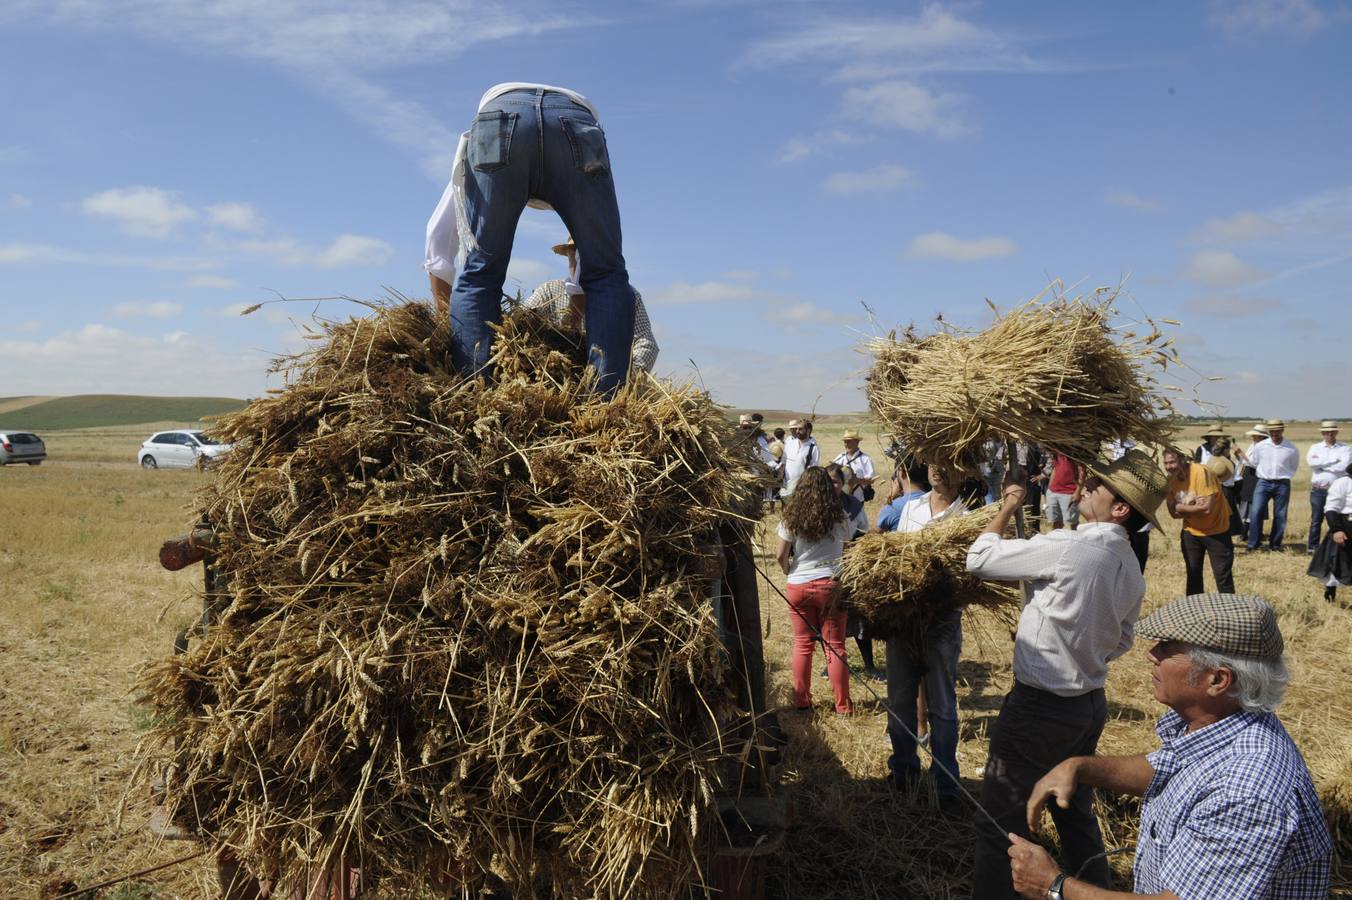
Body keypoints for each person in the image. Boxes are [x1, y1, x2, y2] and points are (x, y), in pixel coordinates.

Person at [1009, 593, 1332, 899]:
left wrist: (1052, 886)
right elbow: (1168, 768)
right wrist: (1079, 768)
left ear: (1218, 680)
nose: (1151, 654)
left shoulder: (1246, 792)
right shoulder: (1224, 723)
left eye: (1168, 648)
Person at [965, 449, 1168, 899]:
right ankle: (1093, 889)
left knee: (1002, 821)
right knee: (1072, 809)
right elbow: (1123, 639)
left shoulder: (1070, 545)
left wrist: (1009, 505)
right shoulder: (1129, 563)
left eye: (1099, 485)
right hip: (1087, 704)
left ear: (1121, 508)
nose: (1086, 484)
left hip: (1040, 708)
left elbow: (979, 558)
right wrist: (1082, 650)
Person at [424, 83, 636, 395]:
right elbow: (593, 273)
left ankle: (472, 396)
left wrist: (448, 327)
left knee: (480, 273)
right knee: (607, 275)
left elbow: (438, 239)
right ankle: (608, 403)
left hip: (500, 118)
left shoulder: (486, 171)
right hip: (575, 124)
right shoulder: (570, 176)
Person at [884, 461, 982, 816]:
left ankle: (945, 784)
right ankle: (903, 771)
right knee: (899, 701)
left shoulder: (969, 516)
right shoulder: (911, 508)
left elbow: (971, 575)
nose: (937, 469)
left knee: (942, 707)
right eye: (932, 461)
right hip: (903, 619)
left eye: (946, 462)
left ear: (964, 471)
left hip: (942, 623)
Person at [775, 467, 865, 715]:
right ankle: (843, 705)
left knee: (803, 644)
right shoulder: (841, 516)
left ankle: (801, 701)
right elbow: (846, 551)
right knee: (835, 645)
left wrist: (788, 570)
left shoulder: (790, 516)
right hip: (831, 583)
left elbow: (780, 554)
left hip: (799, 584)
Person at [524, 236, 658, 371]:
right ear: (568, 256)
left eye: (586, 256)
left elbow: (646, 343)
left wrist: (624, 375)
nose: (580, 264)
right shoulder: (549, 292)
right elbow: (521, 320)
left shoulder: (625, 296)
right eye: (574, 255)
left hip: (608, 378)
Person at [825, 461, 883, 681]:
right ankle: (832, 664)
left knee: (859, 619)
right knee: (830, 621)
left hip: (850, 567)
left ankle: (869, 665)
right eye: (828, 481)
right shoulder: (816, 504)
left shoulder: (854, 506)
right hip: (826, 569)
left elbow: (863, 533)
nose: (832, 486)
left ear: (843, 483)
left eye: (835, 481)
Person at [1162, 447, 1235, 595]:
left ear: (1182, 460)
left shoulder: (1201, 472)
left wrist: (1179, 506)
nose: (1169, 467)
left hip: (1217, 531)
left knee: (1222, 577)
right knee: (1193, 574)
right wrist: (1192, 506)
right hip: (1191, 532)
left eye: (1172, 462)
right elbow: (1173, 514)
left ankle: (1230, 607)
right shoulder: (1170, 481)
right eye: (1166, 463)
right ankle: (1194, 607)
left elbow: (1206, 509)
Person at [1246, 419, 1300, 552]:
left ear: (1282, 430)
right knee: (1256, 512)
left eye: (1277, 431)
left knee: (1280, 515)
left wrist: (1283, 475)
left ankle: (1275, 545)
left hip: (1282, 484)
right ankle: (1253, 544)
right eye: (1272, 431)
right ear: (1269, 431)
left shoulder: (1291, 448)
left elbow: (1293, 466)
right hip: (1263, 482)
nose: (1274, 433)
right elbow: (1255, 462)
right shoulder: (1260, 446)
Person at [1308, 461, 1352, 602]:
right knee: (1338, 563)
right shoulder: (1343, 482)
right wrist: (1337, 530)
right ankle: (1331, 590)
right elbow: (1331, 508)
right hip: (1346, 528)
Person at [1306, 420, 1350, 553]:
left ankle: (1337, 546)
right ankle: (1312, 547)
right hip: (1319, 489)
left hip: (1338, 491)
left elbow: (1343, 467)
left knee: (1337, 519)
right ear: (1322, 433)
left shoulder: (1345, 448)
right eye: (1326, 432)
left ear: (1336, 432)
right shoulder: (1315, 447)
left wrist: (1322, 466)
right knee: (1316, 519)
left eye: (1331, 431)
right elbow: (1311, 463)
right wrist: (1333, 461)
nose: (1329, 434)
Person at [1235, 423, 1268, 531]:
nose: (1253, 437)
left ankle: (1252, 530)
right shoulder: (1253, 445)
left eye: (1255, 435)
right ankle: (1245, 530)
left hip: (1255, 476)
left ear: (1261, 437)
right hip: (1248, 475)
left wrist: (1240, 452)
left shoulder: (1264, 447)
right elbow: (1244, 461)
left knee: (1252, 502)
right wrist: (1237, 454)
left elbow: (1254, 463)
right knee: (1245, 501)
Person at [833, 429, 877, 503]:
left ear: (857, 442)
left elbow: (871, 480)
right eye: (845, 441)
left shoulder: (865, 459)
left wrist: (856, 480)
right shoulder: (840, 457)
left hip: (858, 500)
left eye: (849, 441)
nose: (846, 444)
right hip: (840, 500)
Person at [1043, 452, 1082, 530]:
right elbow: (1055, 470)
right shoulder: (1057, 454)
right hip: (1053, 492)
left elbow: (1082, 473)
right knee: (1055, 520)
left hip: (1069, 492)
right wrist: (1049, 489)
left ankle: (1075, 537)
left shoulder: (1076, 454)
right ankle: (1057, 537)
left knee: (1072, 521)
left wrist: (1078, 492)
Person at [781, 419, 819, 497]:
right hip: (787, 487)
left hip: (802, 488)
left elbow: (813, 471)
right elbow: (783, 462)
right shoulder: (789, 444)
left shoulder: (813, 448)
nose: (797, 431)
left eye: (800, 429)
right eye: (797, 429)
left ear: (808, 431)